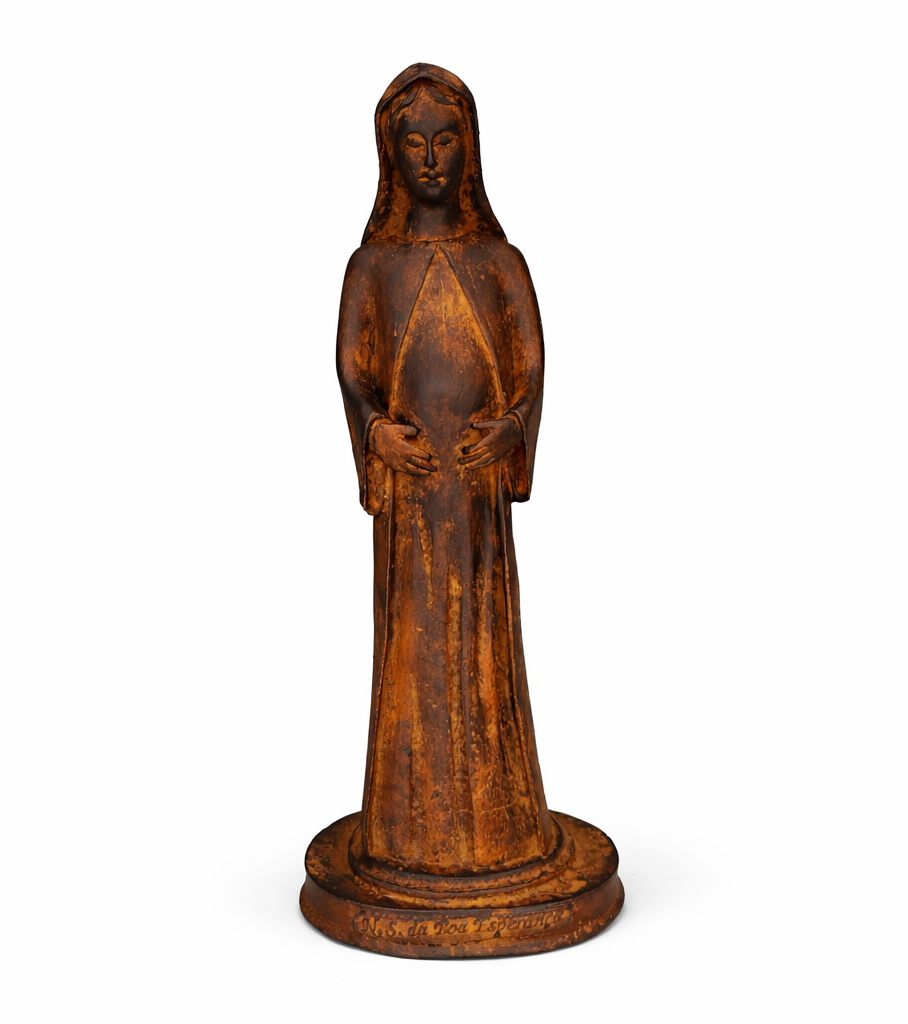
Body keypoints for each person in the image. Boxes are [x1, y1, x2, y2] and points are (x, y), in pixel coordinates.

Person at [336, 64, 551, 877]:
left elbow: (530, 367)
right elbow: (353, 371)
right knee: (413, 654)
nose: (430, 158)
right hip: (412, 500)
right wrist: (375, 435)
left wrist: (513, 430)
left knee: (485, 656)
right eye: (413, 143)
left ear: (472, 148)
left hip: (477, 496)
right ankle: (404, 835)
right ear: (390, 155)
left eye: (446, 140)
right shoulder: (372, 268)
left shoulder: (500, 261)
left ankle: (503, 830)